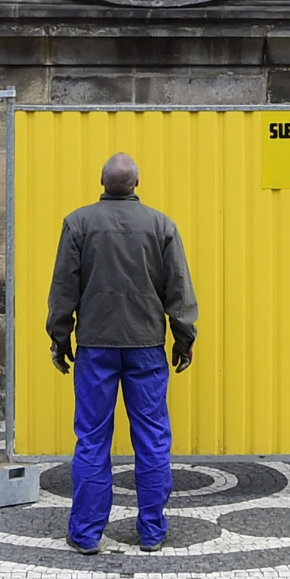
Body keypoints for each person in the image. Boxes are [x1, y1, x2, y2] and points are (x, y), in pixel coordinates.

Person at [47, 152, 197, 555]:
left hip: (95, 346)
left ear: (101, 181)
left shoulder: (78, 223)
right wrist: (183, 339)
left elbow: (64, 289)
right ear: (137, 182)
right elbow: (178, 290)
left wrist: (60, 339)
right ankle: (151, 531)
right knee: (151, 439)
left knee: (92, 439)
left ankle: (85, 534)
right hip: (146, 347)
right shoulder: (161, 225)